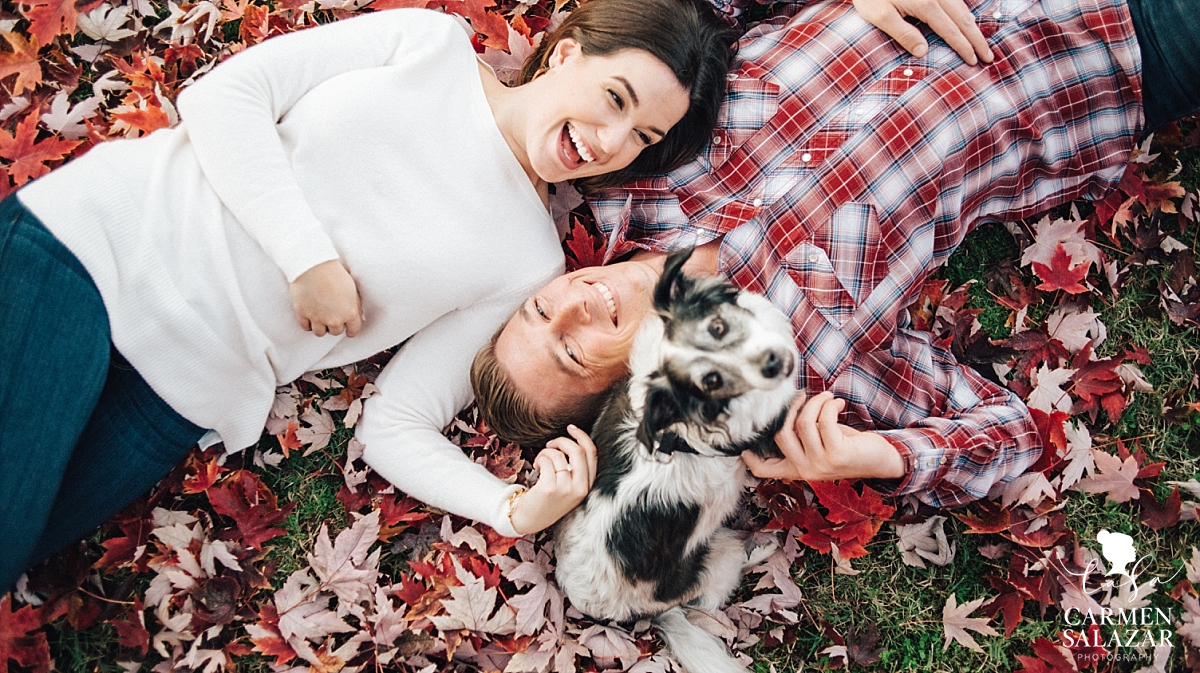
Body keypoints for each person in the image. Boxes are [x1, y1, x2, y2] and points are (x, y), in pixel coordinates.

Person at [0, 0, 737, 591]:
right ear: (570, 51)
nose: (611, 140)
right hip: (99, 253)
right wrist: (305, 256)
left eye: (642, 135)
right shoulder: (431, 46)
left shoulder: (528, 260)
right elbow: (227, 95)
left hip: (178, 393)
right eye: (614, 99)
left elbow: (398, 423)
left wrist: (511, 508)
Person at [473, 0, 1200, 510]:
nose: (574, 302)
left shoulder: (628, 166)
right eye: (572, 349)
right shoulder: (797, 373)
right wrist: (877, 457)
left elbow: (705, 18)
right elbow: (1006, 436)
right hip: (1114, 49)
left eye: (543, 308)